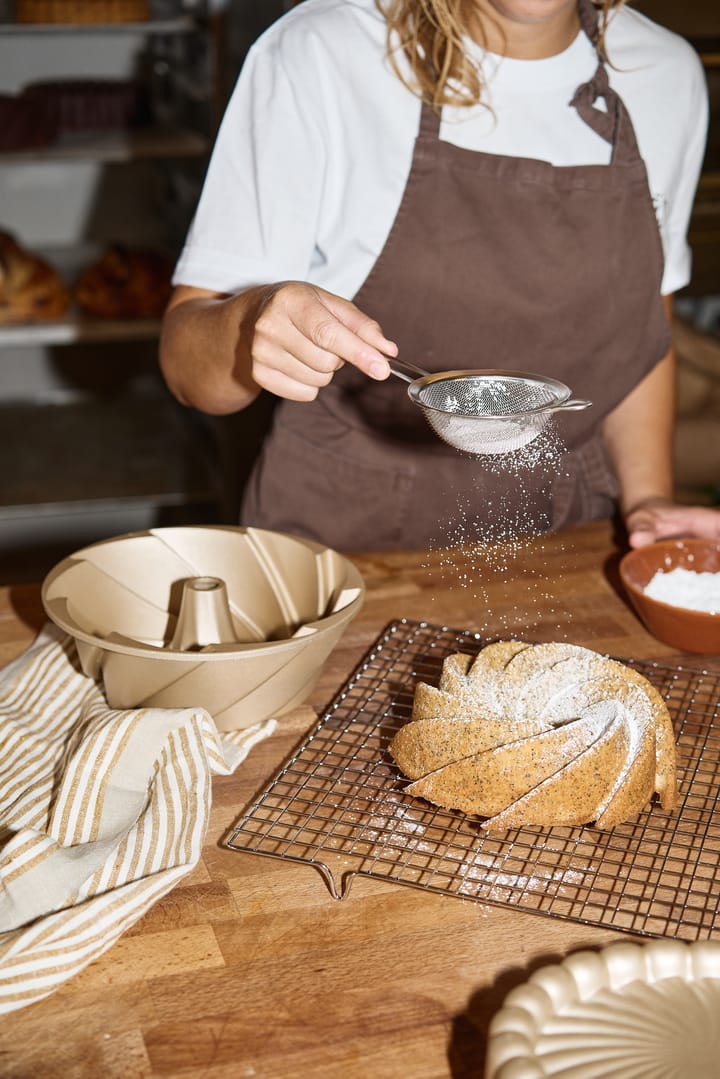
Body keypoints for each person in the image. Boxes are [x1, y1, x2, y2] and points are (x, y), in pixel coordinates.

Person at [159, 0, 719, 552]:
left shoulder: (663, 73)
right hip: (350, 543)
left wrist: (648, 502)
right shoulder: (323, 51)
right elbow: (187, 370)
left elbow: (641, 334)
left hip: (569, 538)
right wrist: (250, 319)